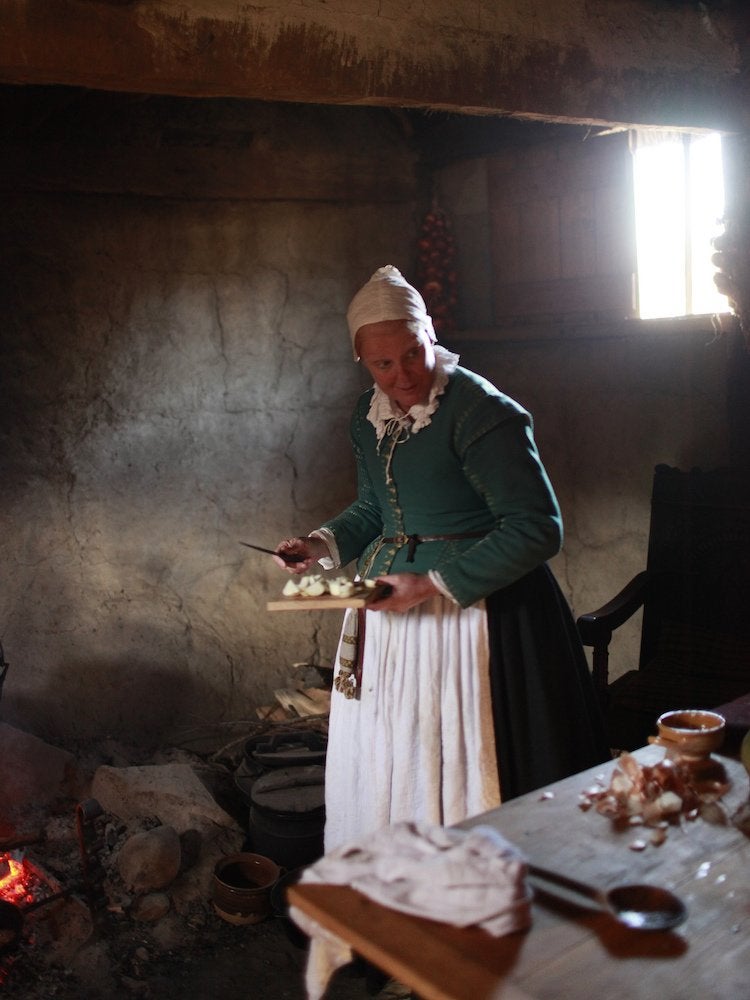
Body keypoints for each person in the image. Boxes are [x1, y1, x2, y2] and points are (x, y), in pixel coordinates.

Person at [274, 264, 609, 852]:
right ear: (361, 360)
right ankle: (394, 886)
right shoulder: (367, 417)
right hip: (391, 617)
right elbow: (375, 508)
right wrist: (321, 545)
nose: (402, 375)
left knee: (462, 753)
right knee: (398, 750)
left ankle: (470, 894)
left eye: (413, 353)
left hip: (482, 619)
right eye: (383, 363)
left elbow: (538, 528)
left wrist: (431, 583)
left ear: (432, 336)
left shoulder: (481, 411)